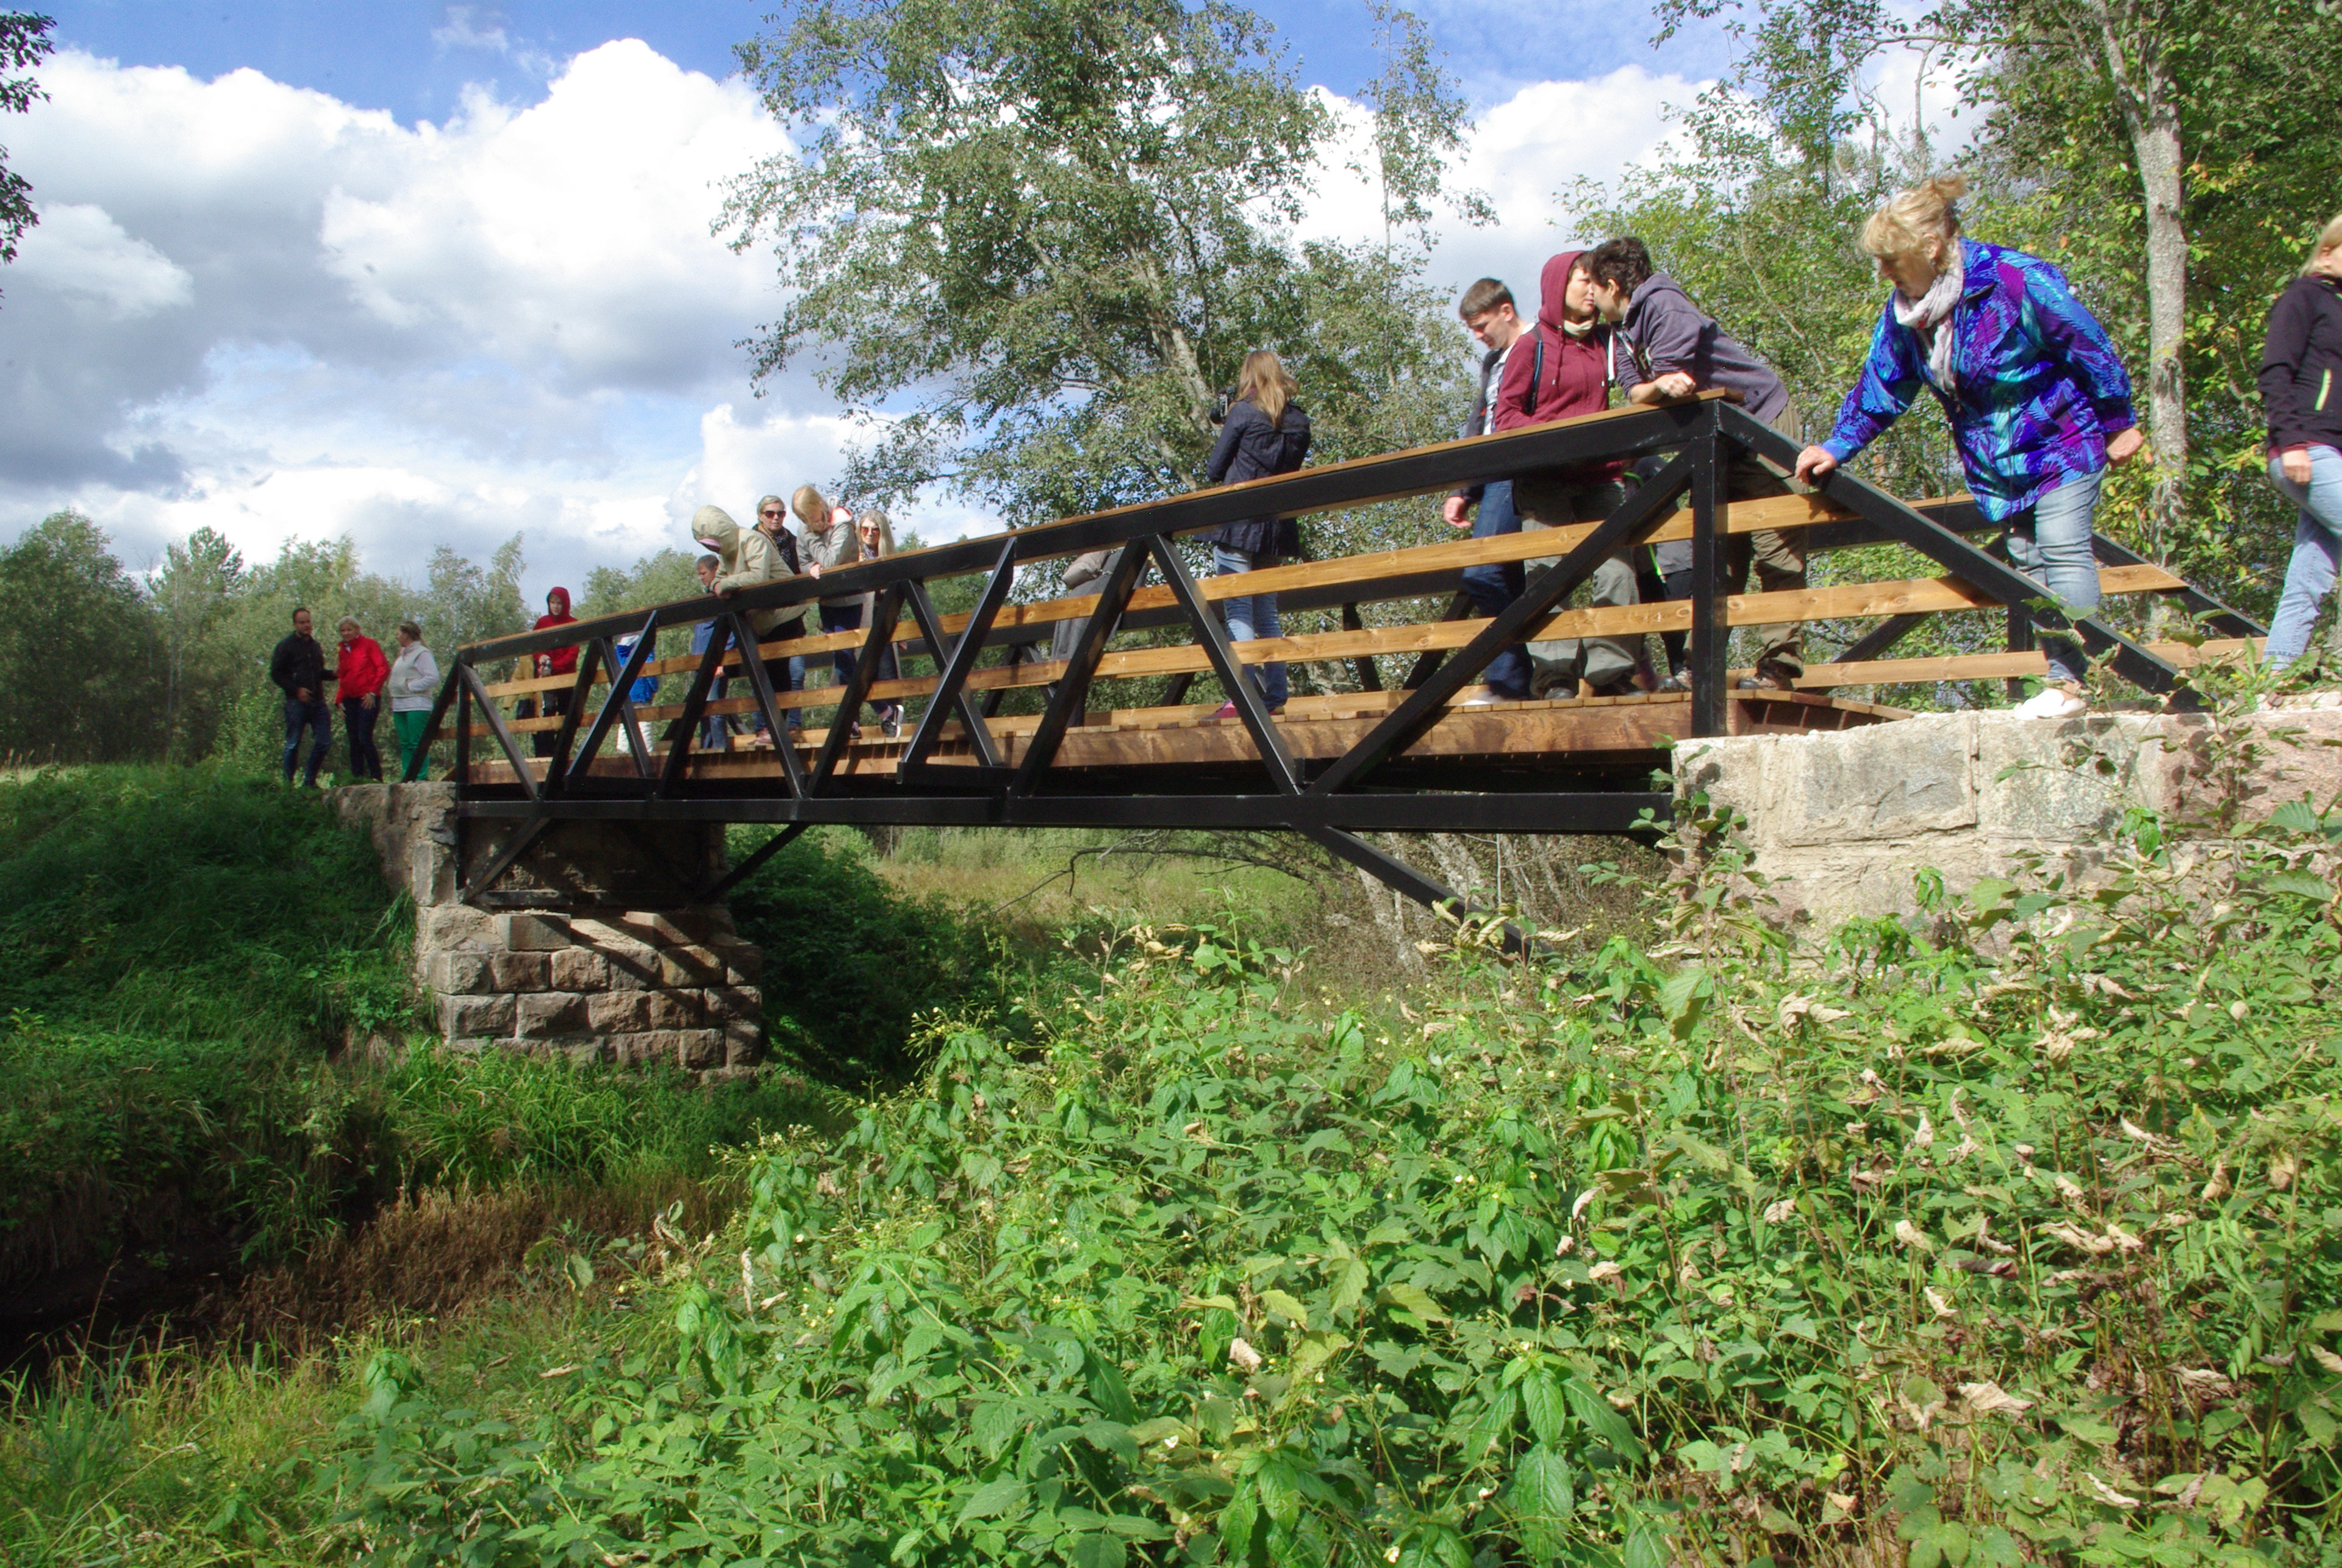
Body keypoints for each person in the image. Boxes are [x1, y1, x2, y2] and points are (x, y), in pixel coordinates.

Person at [1792, 175, 2144, 719]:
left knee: (2062, 546)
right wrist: (1838, 445)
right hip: (1998, 466)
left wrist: (2118, 419)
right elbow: (1883, 386)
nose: (1882, 271)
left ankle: (2074, 684)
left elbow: (2086, 342)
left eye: (1890, 259)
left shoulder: (2013, 280)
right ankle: (2064, 677)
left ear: (1931, 248)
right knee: (2026, 563)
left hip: (2062, 440)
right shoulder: (1907, 316)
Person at [1585, 235, 1805, 692]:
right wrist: (1655, 387)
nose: (1590, 296)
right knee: (1716, 554)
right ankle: (1699, 665)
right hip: (1718, 438)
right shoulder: (1620, 330)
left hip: (1760, 422)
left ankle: (1780, 669)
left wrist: (1658, 386)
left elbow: (1672, 376)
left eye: (1594, 286)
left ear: (1612, 284)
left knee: (1776, 546)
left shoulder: (1665, 304)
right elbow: (1640, 391)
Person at [1491, 250, 1637, 698]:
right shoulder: (1531, 346)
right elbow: (1505, 417)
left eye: (1596, 281)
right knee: (1549, 573)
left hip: (1599, 476)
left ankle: (1612, 673)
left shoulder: (1610, 342)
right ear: (1559, 286)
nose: (1591, 289)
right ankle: (1555, 677)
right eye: (1582, 280)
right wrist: (1556, 438)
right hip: (1545, 478)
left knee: (1618, 570)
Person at [1203, 349, 1312, 715]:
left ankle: (1242, 697)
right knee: (1267, 612)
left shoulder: (1243, 412)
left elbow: (1215, 469)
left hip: (1238, 524)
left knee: (1238, 609)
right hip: (1276, 527)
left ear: (1249, 376)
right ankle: (1275, 696)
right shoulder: (1299, 421)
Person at [1441, 277, 1534, 701]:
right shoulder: (1492, 361)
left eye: (1482, 327)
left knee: (1486, 571)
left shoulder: (1539, 344)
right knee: (1507, 576)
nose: (1479, 337)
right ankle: (1517, 682)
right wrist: (1464, 487)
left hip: (1526, 468)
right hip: (1494, 472)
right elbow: (1479, 422)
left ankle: (1511, 681)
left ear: (1506, 311)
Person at [2258, 210, 2342, 676]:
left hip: (2332, 453)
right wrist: (2291, 441)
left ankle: (2275, 674)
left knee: (2312, 572)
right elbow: (2276, 371)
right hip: (2307, 448)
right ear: (2327, 251)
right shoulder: (2303, 297)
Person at [695, 502, 806, 743]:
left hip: (784, 614)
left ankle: (777, 729)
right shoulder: (728, 551)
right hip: (764, 621)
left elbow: (758, 577)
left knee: (779, 675)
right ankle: (771, 729)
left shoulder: (752, 540)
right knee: (766, 676)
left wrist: (722, 585)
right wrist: (717, 584)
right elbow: (721, 578)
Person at [797, 484, 883, 739]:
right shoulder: (805, 528)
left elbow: (832, 562)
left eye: (815, 520)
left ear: (822, 508)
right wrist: (810, 565)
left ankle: (881, 710)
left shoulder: (843, 523)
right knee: (842, 662)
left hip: (850, 599)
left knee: (846, 657)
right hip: (828, 602)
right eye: (806, 522)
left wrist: (811, 543)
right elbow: (802, 563)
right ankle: (855, 722)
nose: (812, 526)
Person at [268, 606, 334, 787]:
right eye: (302, 622)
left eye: (308, 621)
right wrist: (296, 690)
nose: (307, 625)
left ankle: (309, 781)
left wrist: (335, 674)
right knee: (293, 744)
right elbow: (276, 673)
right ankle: (288, 785)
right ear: (295, 624)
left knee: (324, 741)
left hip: (317, 701)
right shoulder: (285, 646)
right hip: (296, 702)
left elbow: (319, 672)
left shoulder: (315, 646)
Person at [856, 509, 905, 737]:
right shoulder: (854, 554)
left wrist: (901, 628)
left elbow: (897, 595)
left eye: (875, 529)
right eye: (865, 529)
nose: (869, 533)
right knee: (856, 670)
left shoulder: (889, 557)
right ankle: (851, 724)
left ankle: (892, 723)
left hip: (883, 618)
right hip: (857, 618)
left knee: (887, 672)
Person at [690, 553, 737, 752]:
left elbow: (732, 631)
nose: (701, 577)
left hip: (713, 662)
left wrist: (722, 661)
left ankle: (719, 749)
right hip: (700, 662)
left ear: (715, 570)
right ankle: (707, 747)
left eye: (703, 573)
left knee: (715, 706)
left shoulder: (722, 597)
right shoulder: (706, 598)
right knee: (702, 707)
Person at [334, 616, 389, 781]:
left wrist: (372, 691)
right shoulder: (343, 650)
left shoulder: (369, 645)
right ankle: (357, 777)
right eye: (343, 631)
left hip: (367, 697)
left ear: (357, 630)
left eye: (349, 630)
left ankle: (376, 776)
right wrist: (338, 700)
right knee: (353, 739)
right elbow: (343, 676)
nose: (346, 633)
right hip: (350, 698)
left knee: (364, 737)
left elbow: (383, 668)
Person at [387, 620, 440, 778]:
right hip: (400, 704)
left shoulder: (421, 653)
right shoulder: (402, 655)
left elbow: (433, 678)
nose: (397, 637)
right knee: (405, 743)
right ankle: (407, 775)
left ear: (406, 634)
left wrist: (411, 686)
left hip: (417, 704)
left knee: (417, 742)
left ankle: (420, 776)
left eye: (399, 633)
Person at [531, 587, 580, 756]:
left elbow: (573, 654)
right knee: (549, 709)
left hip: (566, 677)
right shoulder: (543, 623)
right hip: (547, 676)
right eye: (552, 602)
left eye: (559, 603)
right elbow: (534, 646)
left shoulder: (573, 624)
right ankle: (547, 753)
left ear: (565, 604)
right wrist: (541, 657)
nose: (556, 606)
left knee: (567, 712)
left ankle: (561, 751)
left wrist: (555, 666)